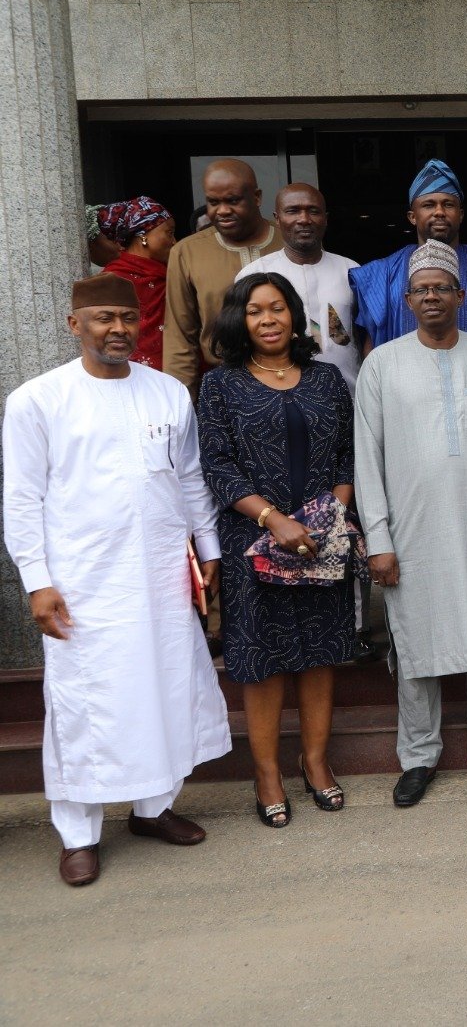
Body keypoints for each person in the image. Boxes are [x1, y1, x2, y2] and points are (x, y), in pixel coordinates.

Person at [3, 275, 230, 886]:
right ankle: (79, 833)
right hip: (83, 583)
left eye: (127, 318)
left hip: (158, 575)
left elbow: (188, 479)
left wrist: (207, 548)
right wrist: (37, 582)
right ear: (75, 324)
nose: (118, 329)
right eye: (103, 318)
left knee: (163, 688)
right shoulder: (38, 399)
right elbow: (22, 500)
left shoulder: (168, 394)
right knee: (85, 703)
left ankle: (153, 809)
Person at [354, 239, 467, 807]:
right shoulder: (381, 363)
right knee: (417, 644)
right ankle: (419, 756)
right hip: (413, 532)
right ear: (407, 300)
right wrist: (377, 538)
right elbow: (367, 458)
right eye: (421, 290)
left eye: (442, 288)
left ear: (462, 294)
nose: (432, 297)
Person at [198, 274, 359, 825]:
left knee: (319, 655)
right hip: (253, 543)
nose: (267, 320)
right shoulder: (221, 386)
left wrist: (328, 517)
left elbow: (346, 455)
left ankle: (314, 762)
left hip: (319, 542)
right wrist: (273, 519)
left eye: (277, 309)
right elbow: (216, 464)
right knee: (262, 663)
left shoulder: (328, 379)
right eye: (254, 311)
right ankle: (266, 773)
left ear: (295, 316)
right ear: (238, 321)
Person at [348, 158, 467, 350]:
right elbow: (371, 343)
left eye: (448, 204)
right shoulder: (383, 274)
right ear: (412, 217)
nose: (439, 211)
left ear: (461, 215)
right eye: (429, 205)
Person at [164, 158, 283, 394]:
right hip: (224, 386)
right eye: (213, 202)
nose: (223, 211)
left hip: (292, 378)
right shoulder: (187, 252)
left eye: (233, 200)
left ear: (257, 197)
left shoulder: (288, 241)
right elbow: (180, 338)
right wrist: (182, 405)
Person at [236, 185, 360, 391]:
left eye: (313, 211)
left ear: (326, 218)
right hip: (279, 398)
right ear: (277, 218)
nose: (304, 219)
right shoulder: (253, 275)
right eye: (292, 211)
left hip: (349, 395)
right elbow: (241, 342)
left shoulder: (351, 271)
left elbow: (365, 337)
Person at [95, 197, 176, 368]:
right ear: (143, 235)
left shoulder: (174, 272)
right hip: (130, 374)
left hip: (177, 374)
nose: (174, 241)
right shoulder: (112, 280)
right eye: (169, 233)